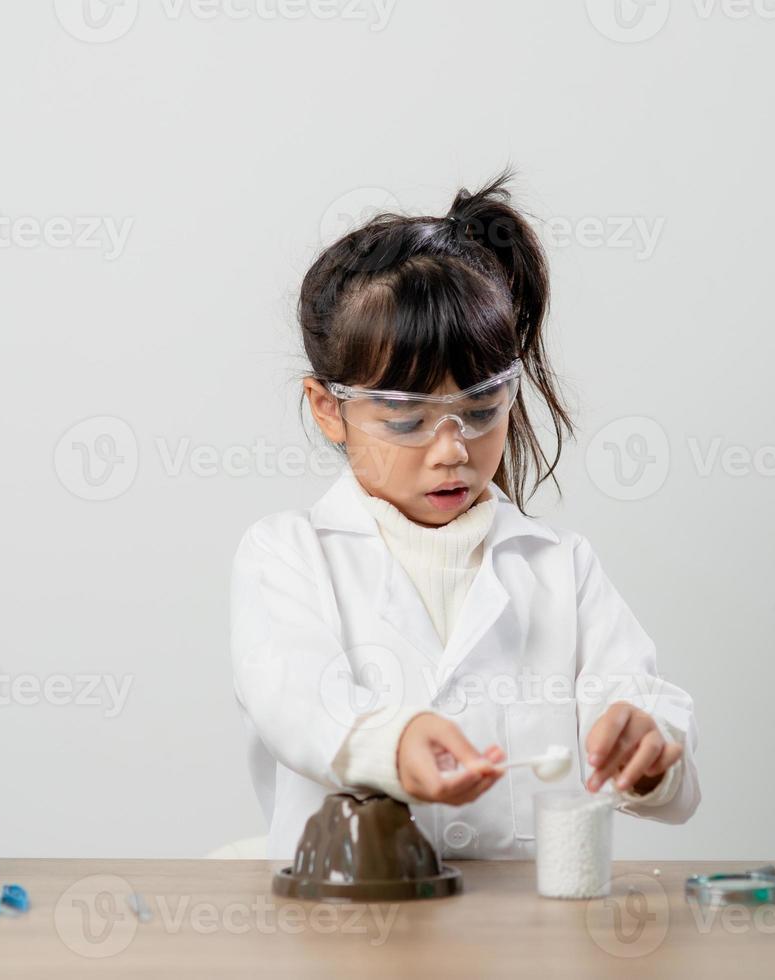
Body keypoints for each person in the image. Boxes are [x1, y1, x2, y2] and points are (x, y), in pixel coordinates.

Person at [231, 172, 700, 859]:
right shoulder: (287, 556)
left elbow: (639, 709)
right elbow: (293, 699)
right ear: (329, 407)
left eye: (481, 412)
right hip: (345, 940)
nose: (451, 450)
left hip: (526, 946)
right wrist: (390, 744)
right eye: (407, 419)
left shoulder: (558, 568)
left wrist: (648, 750)